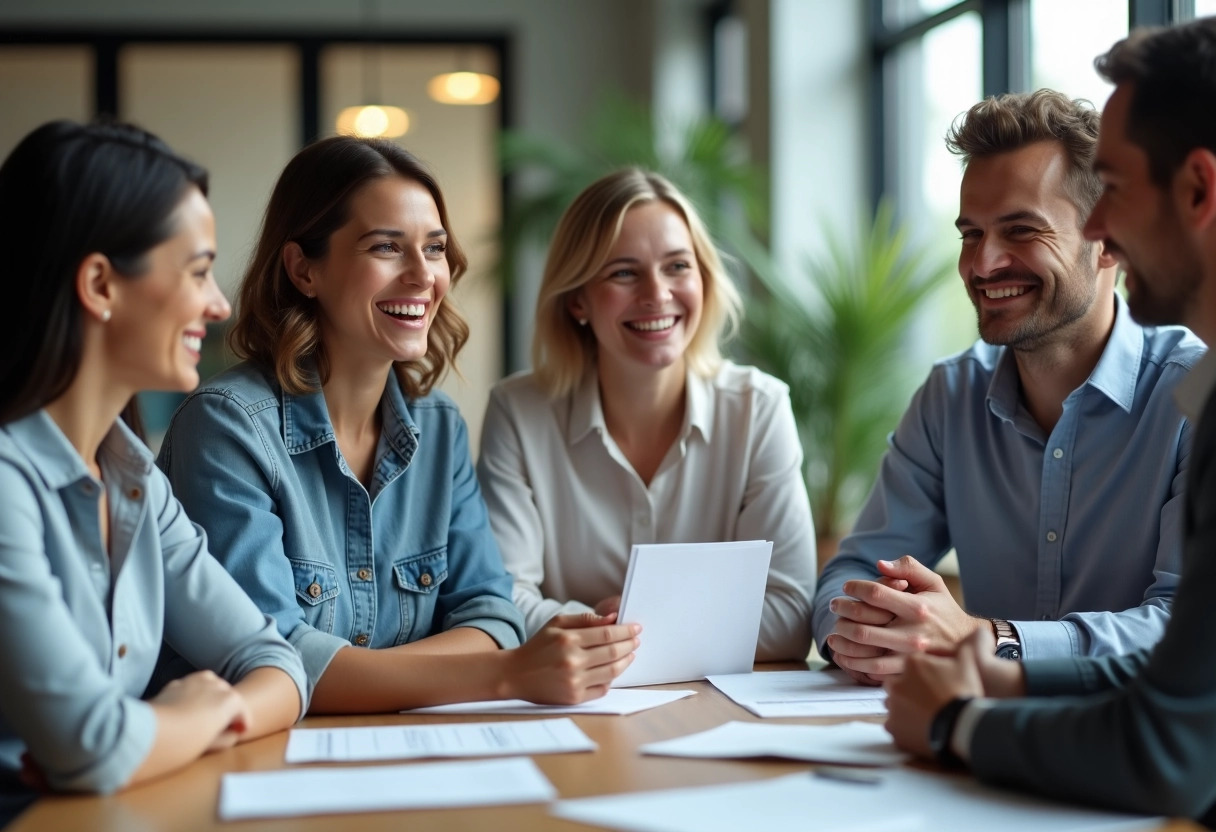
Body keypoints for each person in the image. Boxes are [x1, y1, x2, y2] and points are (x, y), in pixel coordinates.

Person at [158, 136, 639, 714]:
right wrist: (503, 675)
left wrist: (357, 674)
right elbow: (274, 661)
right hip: (256, 768)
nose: (422, 276)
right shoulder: (227, 427)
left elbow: (491, 615)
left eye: (434, 249)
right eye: (386, 248)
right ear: (304, 269)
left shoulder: (438, 428)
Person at [884, 17, 1216, 823]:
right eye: (971, 235)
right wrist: (1006, 674)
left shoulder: (1191, 395)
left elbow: (1170, 748)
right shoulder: (1212, 393)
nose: (1102, 227)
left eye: (1118, 191)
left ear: (1200, 190)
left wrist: (961, 718)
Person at [813, 89, 1204, 685]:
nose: (983, 262)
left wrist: (997, 642)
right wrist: (867, 632)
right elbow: (852, 572)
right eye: (971, 233)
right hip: (970, 746)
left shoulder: (1195, 399)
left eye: (1021, 230)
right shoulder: (951, 395)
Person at [0, 120, 307, 814]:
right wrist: (189, 716)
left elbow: (279, 664)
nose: (219, 304)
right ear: (101, 284)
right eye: (198, 272)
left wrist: (164, 732)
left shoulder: (135, 477)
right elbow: (93, 746)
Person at [476, 168, 817, 662]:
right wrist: (644, 626)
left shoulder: (758, 409)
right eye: (623, 272)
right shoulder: (518, 413)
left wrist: (614, 628)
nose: (657, 294)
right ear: (577, 300)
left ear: (703, 278)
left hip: (719, 715)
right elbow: (503, 602)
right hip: (575, 706)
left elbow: (789, 616)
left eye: (677, 266)